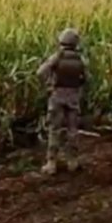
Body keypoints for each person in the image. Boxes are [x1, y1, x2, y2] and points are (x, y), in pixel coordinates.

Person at [36, 28, 87, 175]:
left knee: (54, 130)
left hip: (57, 96)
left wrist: (49, 85)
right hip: (73, 98)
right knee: (72, 130)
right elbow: (86, 79)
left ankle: (51, 163)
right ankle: (73, 162)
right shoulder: (80, 59)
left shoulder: (57, 57)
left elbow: (40, 72)